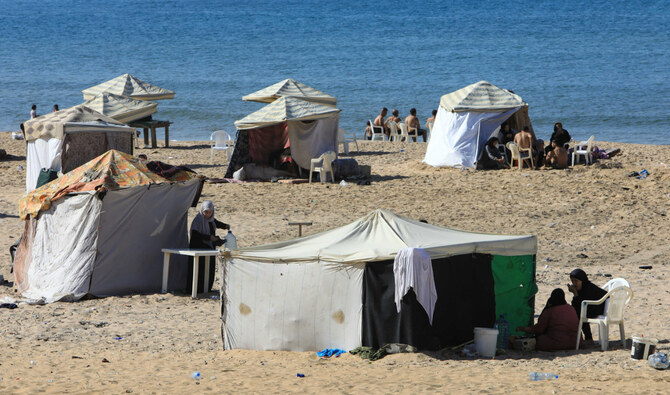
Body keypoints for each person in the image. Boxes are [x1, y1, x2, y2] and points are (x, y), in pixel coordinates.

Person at [516, 289, 581, 351]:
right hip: (576, 342)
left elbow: (539, 329)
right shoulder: (571, 308)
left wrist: (524, 329)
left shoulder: (550, 311)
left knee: (540, 339)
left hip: (558, 343)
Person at [188, 201, 230, 294]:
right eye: (206, 212)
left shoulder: (211, 220)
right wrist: (208, 237)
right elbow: (195, 235)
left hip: (209, 248)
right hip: (198, 248)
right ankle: (197, 290)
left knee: (209, 269)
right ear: (202, 211)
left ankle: (207, 289)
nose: (207, 214)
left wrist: (225, 226)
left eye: (210, 212)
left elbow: (216, 223)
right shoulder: (198, 220)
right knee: (199, 270)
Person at [568, 268, 607, 345]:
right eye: (572, 281)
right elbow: (575, 305)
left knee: (580, 312)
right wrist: (575, 294)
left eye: (576, 281)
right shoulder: (582, 289)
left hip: (603, 310)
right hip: (594, 308)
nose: (574, 283)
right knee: (577, 311)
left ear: (582, 280)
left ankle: (588, 338)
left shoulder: (589, 289)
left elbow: (580, 304)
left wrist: (575, 294)